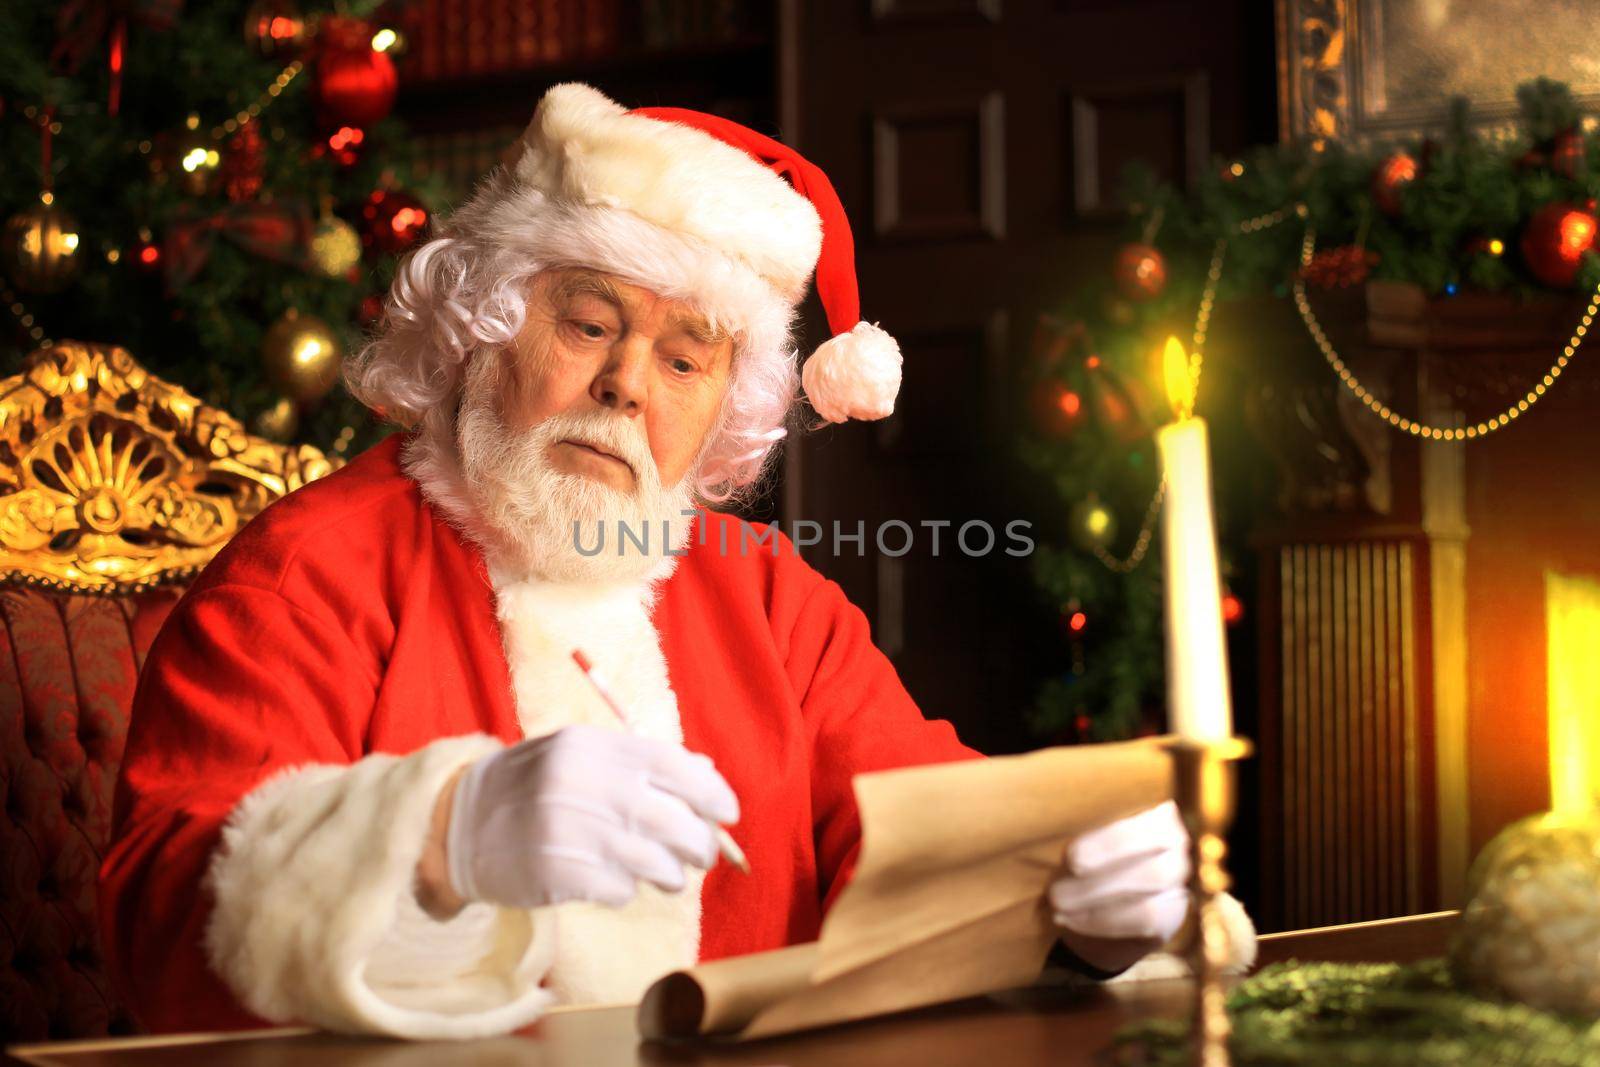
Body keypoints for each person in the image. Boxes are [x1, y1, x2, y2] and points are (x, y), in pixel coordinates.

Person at [99, 82, 1244, 1041]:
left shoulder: (773, 598)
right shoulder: (306, 570)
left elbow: (922, 834)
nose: (627, 384)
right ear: (483, 328)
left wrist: (1074, 903)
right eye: (589, 324)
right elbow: (164, 922)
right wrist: (439, 839)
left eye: (686, 358)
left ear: (723, 413)